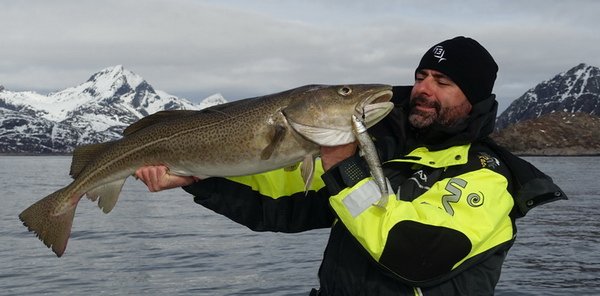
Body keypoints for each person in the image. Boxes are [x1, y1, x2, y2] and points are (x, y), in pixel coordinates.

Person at [135, 36, 566, 295]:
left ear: (474, 98)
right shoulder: (384, 156)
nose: (423, 89)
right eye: (420, 77)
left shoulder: (490, 177)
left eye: (443, 82)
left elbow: (414, 253)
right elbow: (281, 207)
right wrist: (199, 177)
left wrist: (343, 165)